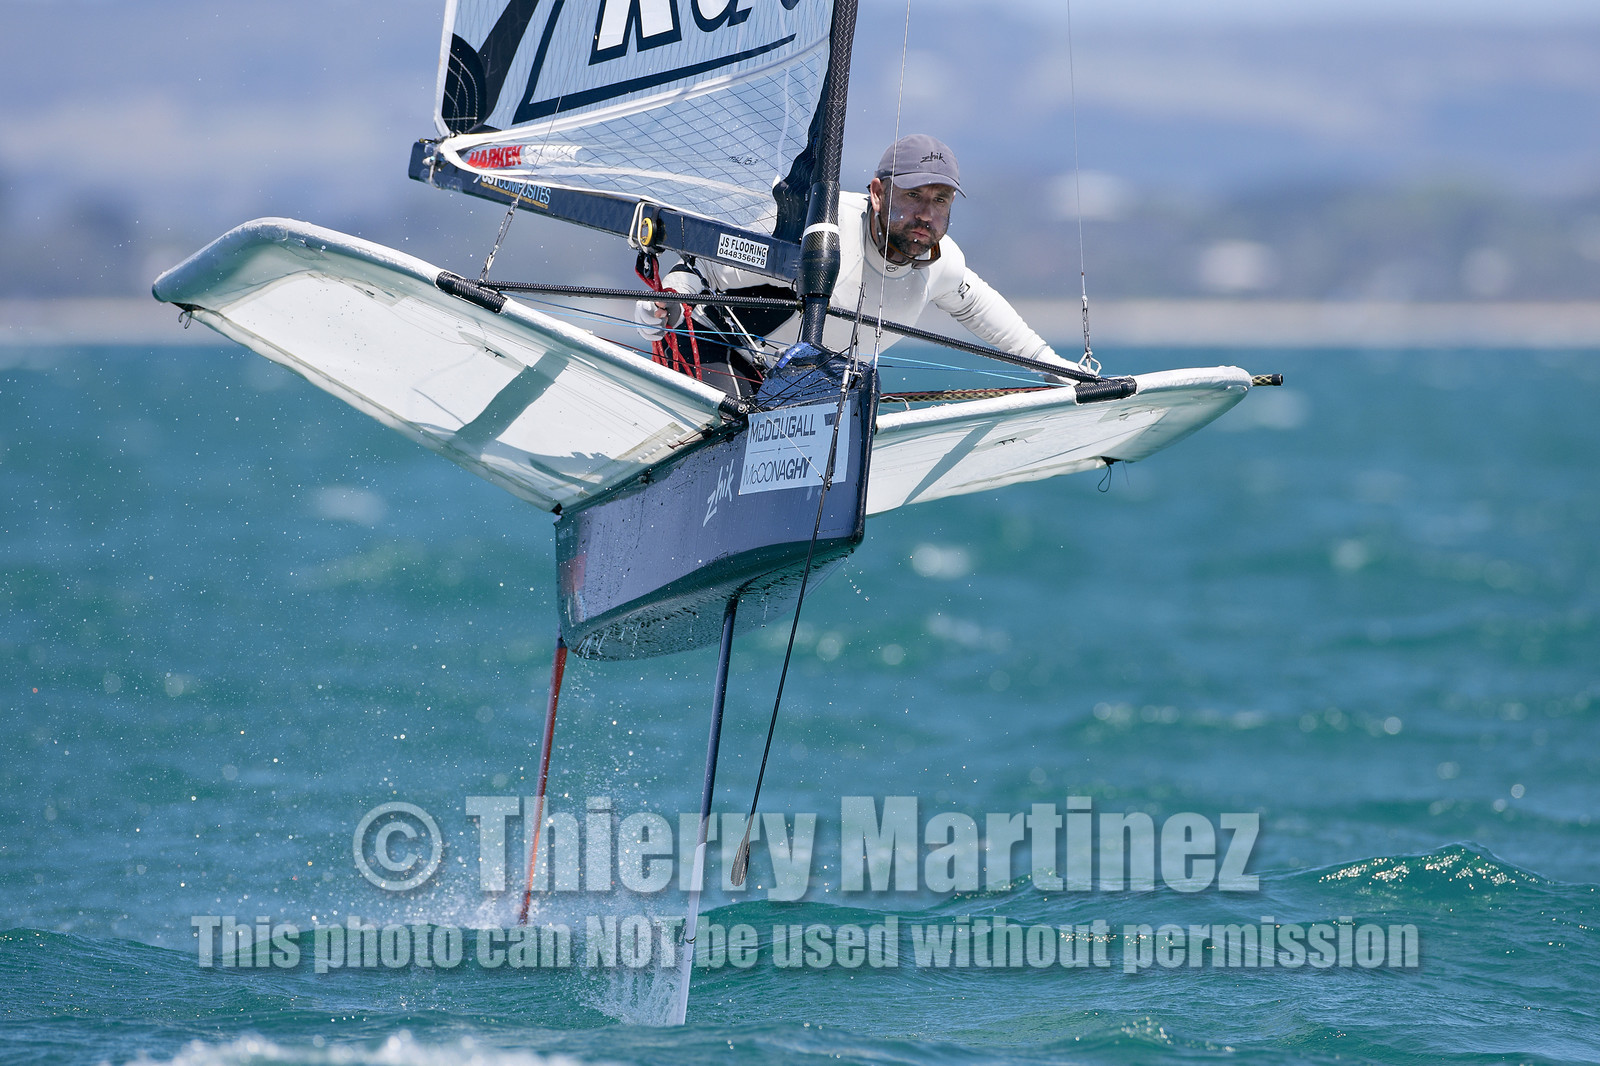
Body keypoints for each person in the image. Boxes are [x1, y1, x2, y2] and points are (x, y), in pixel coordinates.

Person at [637, 134, 1080, 398]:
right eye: (912, 196)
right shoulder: (813, 229)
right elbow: (699, 271)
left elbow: (985, 313)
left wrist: (1057, 369)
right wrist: (664, 306)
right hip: (715, 354)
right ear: (877, 193)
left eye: (940, 201)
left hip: (796, 389)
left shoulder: (943, 265)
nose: (926, 214)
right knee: (739, 418)